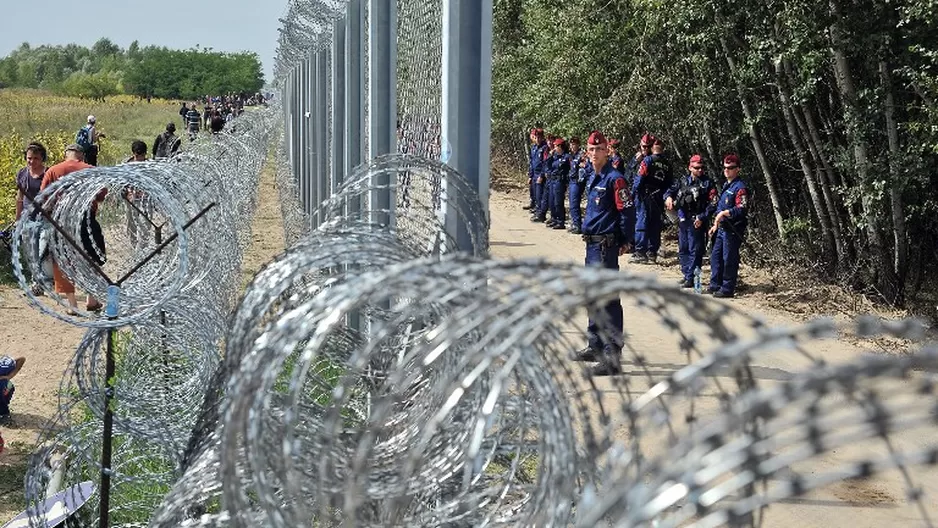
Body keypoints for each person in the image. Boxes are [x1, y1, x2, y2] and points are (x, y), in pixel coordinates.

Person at [571, 130, 635, 377]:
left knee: (607, 299)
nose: (595, 153)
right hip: (592, 245)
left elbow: (627, 212)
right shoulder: (593, 177)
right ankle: (595, 344)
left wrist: (624, 240)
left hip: (606, 246)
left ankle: (612, 354)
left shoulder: (615, 179)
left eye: (599, 149)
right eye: (591, 149)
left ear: (607, 151)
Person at [40, 144, 105, 315]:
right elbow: (101, 195)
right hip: (85, 219)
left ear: (65, 155)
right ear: (81, 156)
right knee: (93, 257)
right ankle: (92, 299)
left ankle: (72, 304)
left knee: (63, 260)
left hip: (61, 220)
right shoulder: (90, 170)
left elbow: (44, 198)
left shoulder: (53, 171)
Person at [665, 154, 718, 288]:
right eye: (697, 168)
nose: (700, 170)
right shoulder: (683, 181)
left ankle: (693, 278)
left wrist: (702, 217)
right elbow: (669, 191)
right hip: (683, 218)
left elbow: (713, 203)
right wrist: (668, 198)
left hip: (698, 219)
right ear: (690, 167)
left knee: (696, 250)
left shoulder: (707, 183)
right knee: (684, 248)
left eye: (702, 168)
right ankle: (686, 274)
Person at [708, 154, 749, 298]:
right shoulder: (727, 185)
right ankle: (715, 284)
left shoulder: (740, 187)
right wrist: (715, 224)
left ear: (738, 169)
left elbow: (742, 208)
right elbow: (719, 208)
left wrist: (727, 213)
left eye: (730, 168)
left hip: (733, 229)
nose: (727, 170)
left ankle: (727, 288)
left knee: (729, 259)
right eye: (725, 167)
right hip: (721, 228)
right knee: (715, 257)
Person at [631, 136, 673, 264]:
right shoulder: (667, 164)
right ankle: (652, 253)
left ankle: (640, 253)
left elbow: (639, 179)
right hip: (659, 197)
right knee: (655, 225)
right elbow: (669, 184)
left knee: (642, 223)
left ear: (653, 148)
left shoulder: (648, 160)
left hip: (645, 195)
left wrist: (634, 194)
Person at [15, 142, 49, 295]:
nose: (32, 161)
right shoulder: (22, 174)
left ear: (42, 158)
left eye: (35, 158)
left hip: (45, 218)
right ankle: (36, 283)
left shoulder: (48, 174)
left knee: (43, 251)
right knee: (31, 252)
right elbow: (20, 197)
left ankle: (44, 281)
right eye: (29, 158)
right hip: (28, 219)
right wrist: (18, 219)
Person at [545, 137, 570, 230]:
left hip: (560, 181)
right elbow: (547, 165)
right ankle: (554, 218)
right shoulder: (554, 156)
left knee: (558, 202)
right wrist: (549, 156)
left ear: (560, 147)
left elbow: (569, 169)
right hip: (552, 180)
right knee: (551, 201)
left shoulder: (566, 157)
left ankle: (560, 221)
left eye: (556, 146)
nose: (554, 147)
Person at [526, 129, 549, 219]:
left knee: (540, 195)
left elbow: (545, 163)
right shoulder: (534, 148)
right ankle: (537, 210)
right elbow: (532, 162)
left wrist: (542, 175)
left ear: (542, 137)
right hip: (534, 174)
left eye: (539, 137)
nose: (538, 139)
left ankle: (541, 214)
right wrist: (530, 175)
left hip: (540, 174)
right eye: (536, 137)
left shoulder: (545, 148)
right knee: (535, 194)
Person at [567, 137, 586, 234]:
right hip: (571, 180)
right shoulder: (571, 155)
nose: (572, 146)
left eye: (574, 144)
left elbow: (584, 166)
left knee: (574, 203)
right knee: (572, 203)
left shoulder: (581, 155)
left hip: (577, 182)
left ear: (578, 144)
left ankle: (578, 225)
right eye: (571, 144)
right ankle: (575, 223)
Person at [0, 355, 25, 422]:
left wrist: (9, 376)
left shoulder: (2, 366)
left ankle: (4, 414)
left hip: (4, 387)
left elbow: (21, 359)